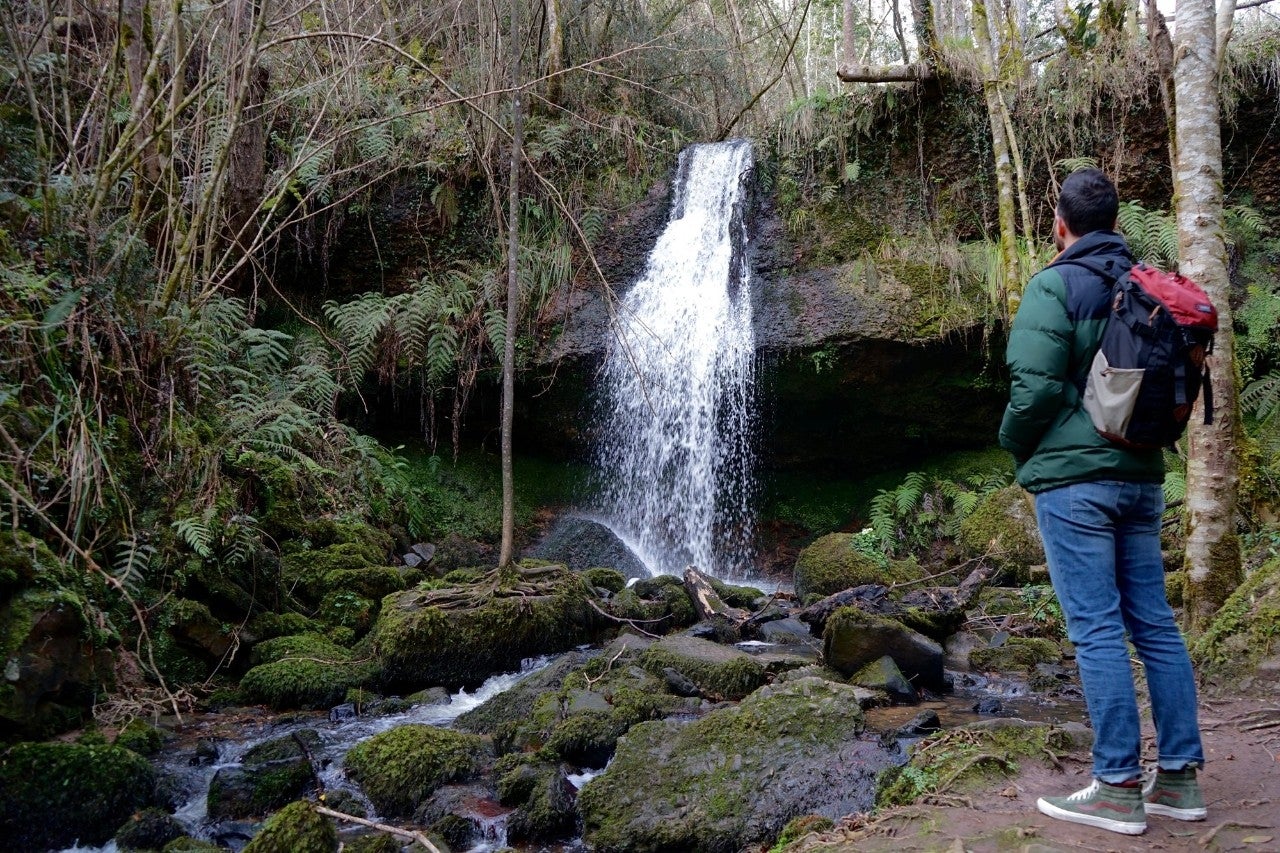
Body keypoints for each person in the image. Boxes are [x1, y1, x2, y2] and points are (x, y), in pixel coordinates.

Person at [998, 168, 1206, 836]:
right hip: (1141, 477)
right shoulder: (1144, 284)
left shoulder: (1053, 285)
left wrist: (1014, 446)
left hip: (1074, 484)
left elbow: (1032, 392)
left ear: (1059, 224)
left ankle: (1116, 784)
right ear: (1117, 222)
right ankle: (1177, 779)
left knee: (1094, 626)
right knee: (1154, 621)